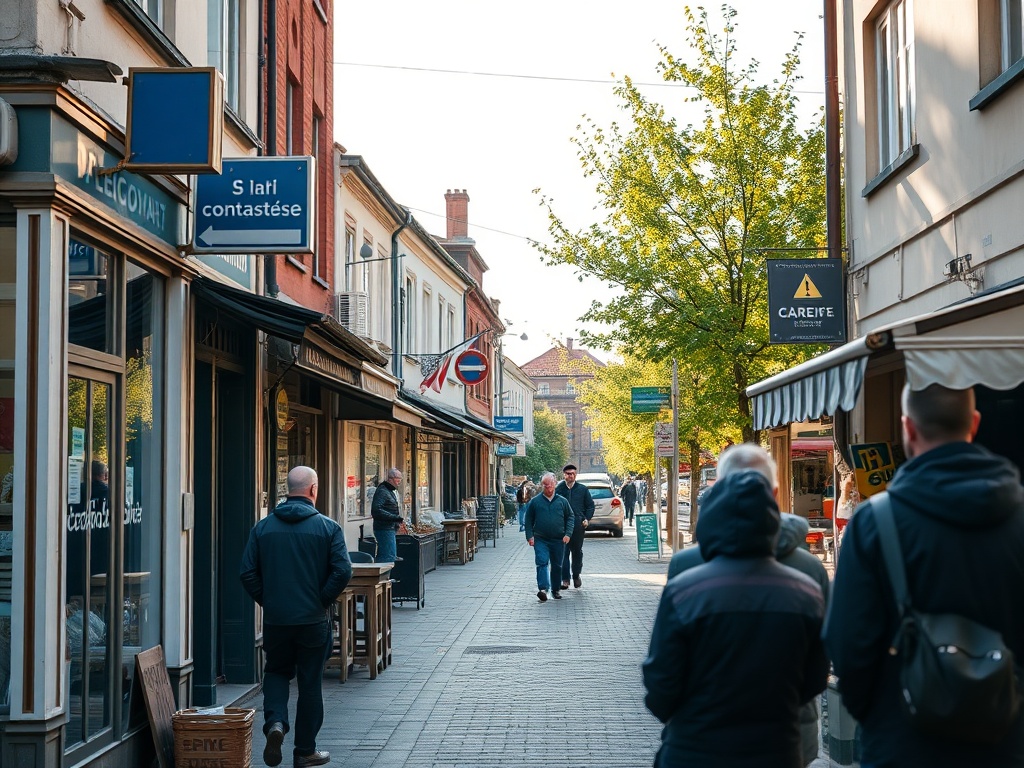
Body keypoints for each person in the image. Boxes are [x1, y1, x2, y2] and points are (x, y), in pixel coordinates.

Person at [824, 383, 1024, 768]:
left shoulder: (873, 524)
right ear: (975, 423)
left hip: (901, 744)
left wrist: (880, 717)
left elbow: (846, 641)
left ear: (908, 428)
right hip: (1005, 743)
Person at [644, 465, 829, 767]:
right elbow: (814, 678)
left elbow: (661, 677)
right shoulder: (804, 593)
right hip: (775, 747)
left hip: (695, 747)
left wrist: (687, 717)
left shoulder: (685, 591)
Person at [240, 466, 351, 768]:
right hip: (313, 621)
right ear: (313, 490)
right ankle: (304, 750)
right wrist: (321, 599)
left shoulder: (263, 528)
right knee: (310, 682)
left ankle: (276, 723)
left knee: (276, 672)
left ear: (286, 489)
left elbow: (247, 572)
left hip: (277, 620)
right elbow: (343, 570)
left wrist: (269, 600)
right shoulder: (328, 528)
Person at [524, 472, 573, 602]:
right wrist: (530, 536)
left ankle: (555, 589)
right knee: (542, 561)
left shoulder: (562, 502)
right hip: (541, 538)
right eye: (545, 485)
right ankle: (543, 589)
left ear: (555, 484)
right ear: (542, 486)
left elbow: (570, 517)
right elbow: (528, 520)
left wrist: (568, 534)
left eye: (550, 484)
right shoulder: (535, 502)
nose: (548, 487)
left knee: (557, 565)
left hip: (558, 539)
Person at [555, 464, 595, 590]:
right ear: (564, 475)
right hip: (562, 525)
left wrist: (586, 519)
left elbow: (590, 506)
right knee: (563, 552)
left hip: (578, 525)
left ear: (575, 475)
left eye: (572, 473)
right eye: (567, 474)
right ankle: (565, 579)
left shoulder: (582, 489)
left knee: (577, 551)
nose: (570, 476)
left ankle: (576, 575)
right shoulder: (559, 489)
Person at [370, 467, 404, 563]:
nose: (399, 481)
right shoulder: (383, 491)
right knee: (387, 557)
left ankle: (384, 576)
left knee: (388, 555)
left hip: (388, 527)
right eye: (398, 478)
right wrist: (395, 518)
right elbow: (376, 510)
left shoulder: (389, 491)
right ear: (391, 478)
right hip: (384, 528)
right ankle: (383, 577)